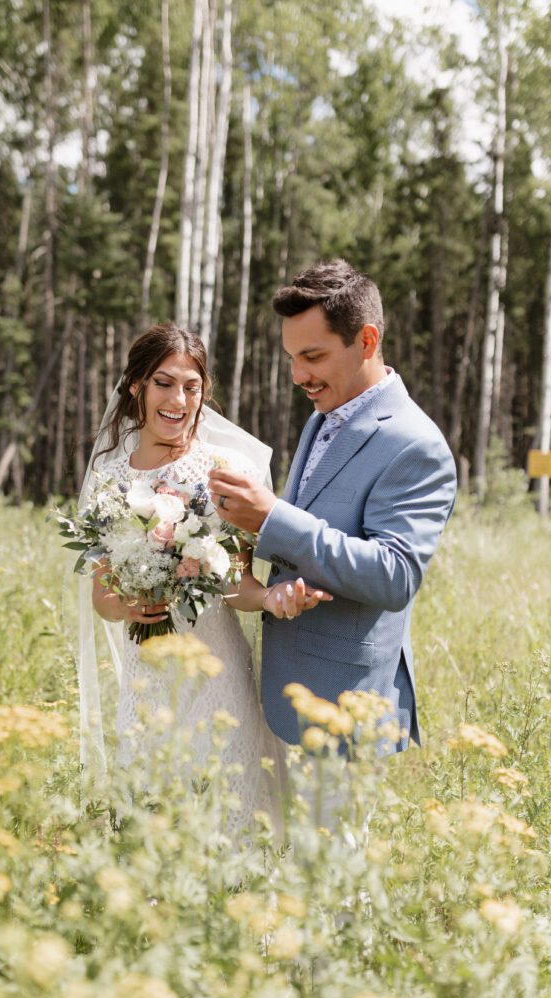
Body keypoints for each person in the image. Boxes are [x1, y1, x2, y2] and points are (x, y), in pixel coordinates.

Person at [78, 322, 330, 833]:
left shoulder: (226, 468)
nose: (179, 399)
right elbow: (101, 595)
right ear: (136, 387)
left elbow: (237, 585)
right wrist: (128, 606)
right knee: (150, 823)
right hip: (147, 677)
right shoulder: (110, 478)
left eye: (191, 387)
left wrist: (272, 598)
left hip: (218, 673)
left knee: (227, 819)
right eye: (164, 383)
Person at [209, 259, 457, 756]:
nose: (299, 375)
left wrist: (271, 518)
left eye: (314, 356)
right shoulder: (325, 413)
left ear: (366, 341)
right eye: (292, 358)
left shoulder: (416, 444)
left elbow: (395, 576)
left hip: (346, 705)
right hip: (289, 696)